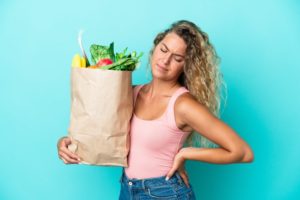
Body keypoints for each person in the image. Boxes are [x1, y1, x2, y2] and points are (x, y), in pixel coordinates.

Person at [57, 20, 254, 199]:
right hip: (127, 189)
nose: (165, 60)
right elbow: (99, 130)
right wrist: (67, 143)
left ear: (187, 66)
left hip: (165, 192)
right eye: (163, 49)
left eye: (177, 58)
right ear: (155, 48)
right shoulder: (130, 92)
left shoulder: (183, 105)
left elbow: (243, 152)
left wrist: (186, 153)